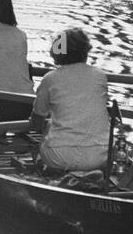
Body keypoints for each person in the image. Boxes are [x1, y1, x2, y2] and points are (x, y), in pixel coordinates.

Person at [31, 28, 110, 172]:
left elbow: (36, 121)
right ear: (85, 51)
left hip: (60, 156)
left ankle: (47, 173)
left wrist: (47, 123)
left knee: (47, 128)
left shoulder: (50, 78)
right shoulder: (100, 76)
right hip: (100, 155)